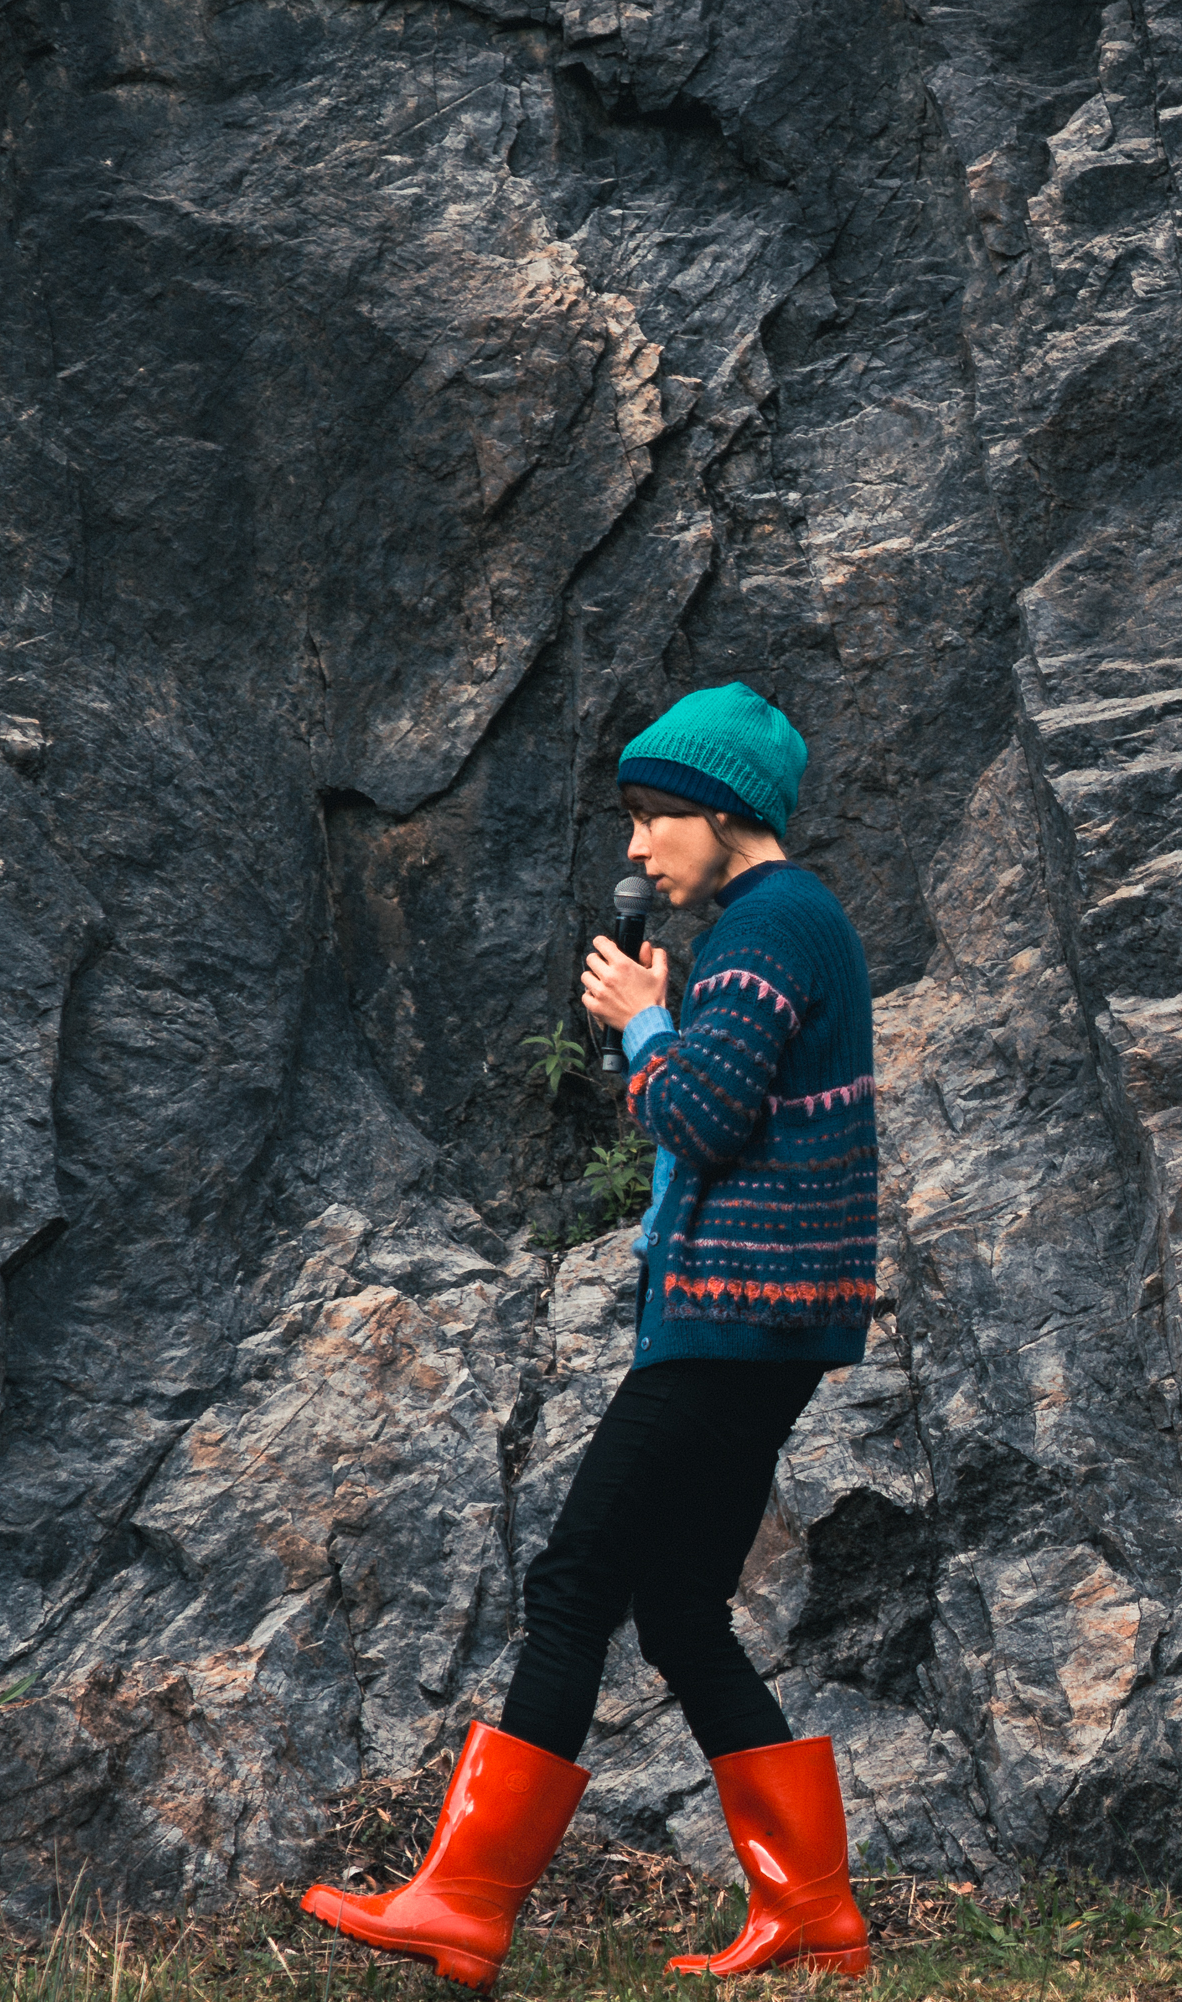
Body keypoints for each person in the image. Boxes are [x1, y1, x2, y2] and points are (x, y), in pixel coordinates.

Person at [301, 682, 881, 1990]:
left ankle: (464, 1896)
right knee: (678, 1609)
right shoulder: (785, 924)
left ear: (719, 808)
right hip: (764, 1322)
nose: (635, 848)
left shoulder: (771, 921)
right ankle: (812, 1908)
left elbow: (700, 1115)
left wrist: (643, 1023)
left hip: (730, 1324)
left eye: (649, 817)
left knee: (573, 1582)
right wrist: (664, 1028)